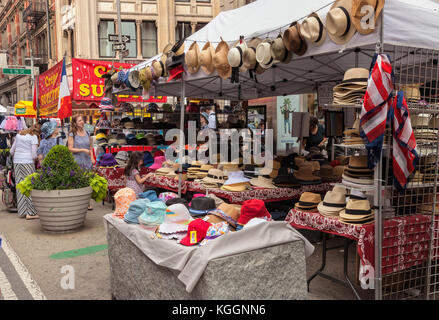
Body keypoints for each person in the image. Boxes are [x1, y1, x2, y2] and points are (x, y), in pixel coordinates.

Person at [10, 124, 40, 220]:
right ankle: (31, 213)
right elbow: (34, 154)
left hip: (17, 162)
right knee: (30, 186)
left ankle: (23, 211)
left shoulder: (19, 136)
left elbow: (11, 151)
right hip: (27, 162)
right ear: (36, 132)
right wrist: (37, 159)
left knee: (20, 186)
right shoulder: (34, 137)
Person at [68, 115, 94, 210]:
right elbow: (70, 148)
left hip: (87, 161)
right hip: (77, 161)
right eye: (79, 121)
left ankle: (87, 203)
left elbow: (90, 147)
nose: (82, 122)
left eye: (82, 120)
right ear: (75, 123)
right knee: (78, 182)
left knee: (87, 182)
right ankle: (78, 203)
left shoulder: (87, 133)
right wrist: (83, 150)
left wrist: (92, 158)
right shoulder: (72, 134)